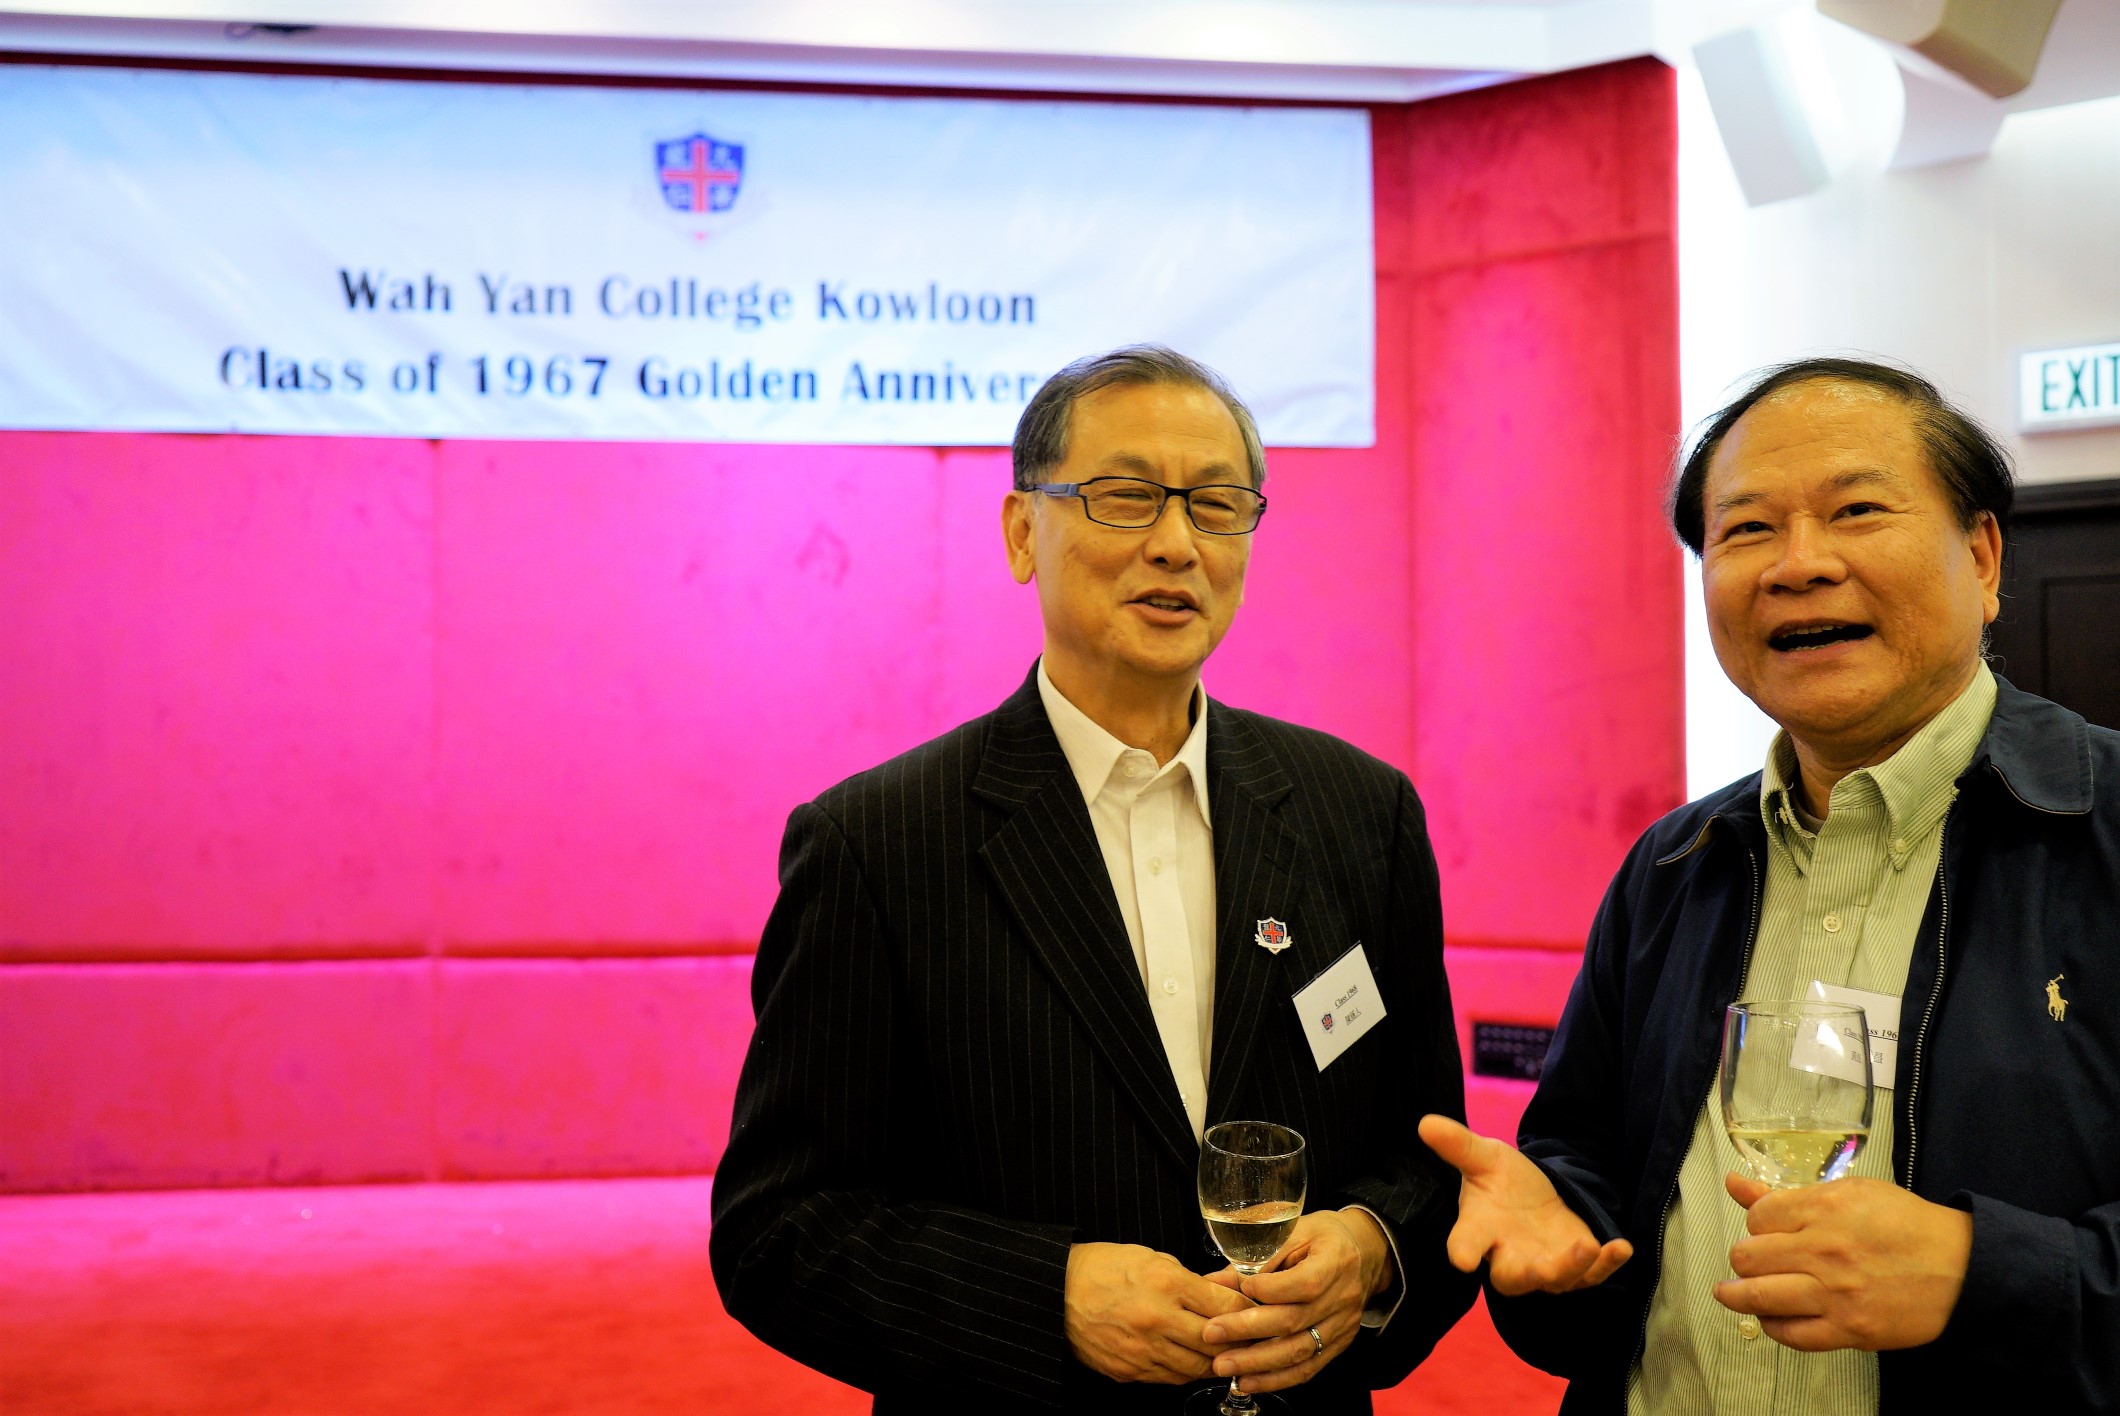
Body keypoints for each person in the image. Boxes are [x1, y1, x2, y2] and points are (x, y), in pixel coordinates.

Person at [710, 346, 1476, 1412]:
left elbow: (1431, 1158)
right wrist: (1047, 1297)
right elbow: (776, 1229)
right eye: (1125, 497)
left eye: (1216, 505)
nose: (1175, 543)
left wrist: (1374, 1251)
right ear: (1023, 533)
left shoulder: (1362, 814)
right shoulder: (876, 844)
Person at [1419, 356, 2120, 1412]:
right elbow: (1586, 1164)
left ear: (1981, 557)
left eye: (1855, 511)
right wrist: (1562, 1242)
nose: (1798, 565)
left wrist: (1985, 1276)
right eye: (1745, 529)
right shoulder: (1671, 867)